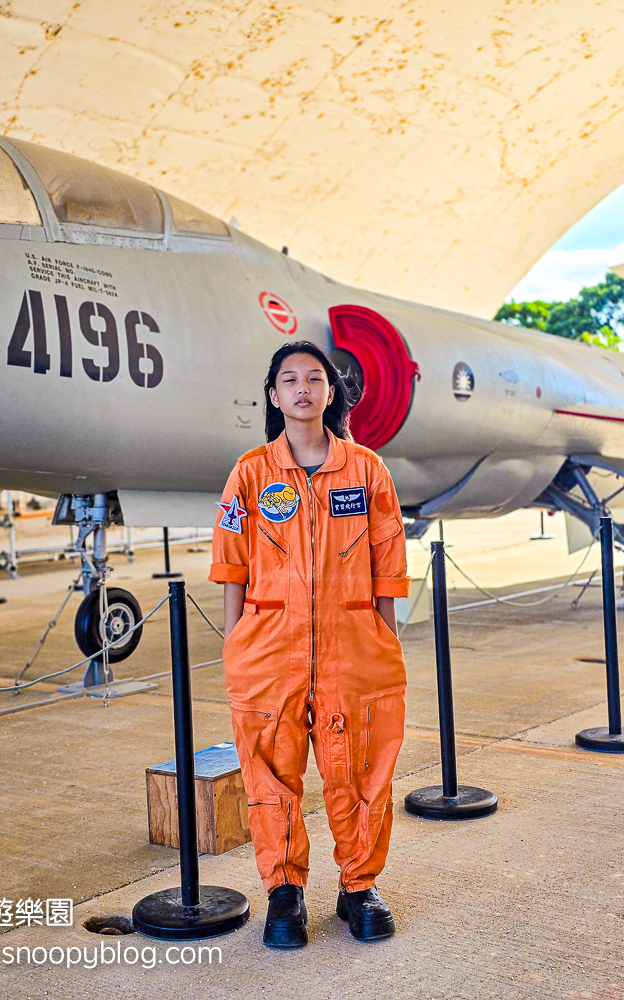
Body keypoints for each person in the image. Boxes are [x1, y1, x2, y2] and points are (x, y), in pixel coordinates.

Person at [209, 340, 409, 948]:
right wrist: (238, 641)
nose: (302, 388)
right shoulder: (250, 473)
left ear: (330, 392)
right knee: (270, 774)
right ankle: (284, 894)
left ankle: (359, 888)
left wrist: (383, 641)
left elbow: (388, 566)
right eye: (288, 379)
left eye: (314, 378)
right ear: (273, 396)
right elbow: (232, 567)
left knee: (361, 770)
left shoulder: (368, 470)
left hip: (356, 647)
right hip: (268, 648)